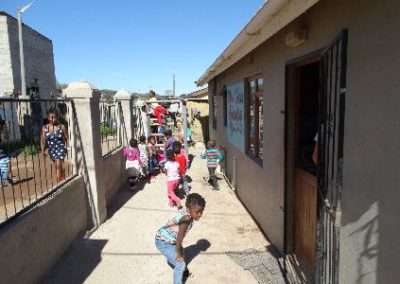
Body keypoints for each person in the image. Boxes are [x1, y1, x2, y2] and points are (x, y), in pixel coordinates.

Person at [155, 193, 206, 284]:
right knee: (180, 262)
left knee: (181, 254)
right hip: (163, 241)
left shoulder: (187, 212)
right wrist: (178, 252)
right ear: (188, 209)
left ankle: (184, 272)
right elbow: (179, 238)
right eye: (197, 211)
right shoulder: (186, 219)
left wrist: (179, 250)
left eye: (202, 211)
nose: (200, 214)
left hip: (169, 239)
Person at [40, 108, 69, 183]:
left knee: (58, 165)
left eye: (54, 117)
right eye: (51, 117)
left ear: (57, 117)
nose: (53, 119)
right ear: (48, 117)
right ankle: (63, 178)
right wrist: (42, 150)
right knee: (56, 167)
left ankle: (58, 184)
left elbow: (67, 137)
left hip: (61, 148)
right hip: (52, 150)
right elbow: (43, 140)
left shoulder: (61, 126)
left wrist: (68, 147)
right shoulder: (45, 128)